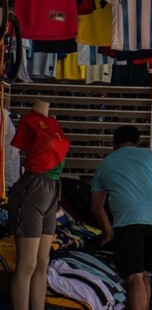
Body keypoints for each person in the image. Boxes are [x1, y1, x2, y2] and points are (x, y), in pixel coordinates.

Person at [92, 125, 152, 310]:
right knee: (144, 274)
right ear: (139, 142)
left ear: (113, 145)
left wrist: (108, 232)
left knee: (134, 276)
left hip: (128, 221)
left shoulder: (105, 164)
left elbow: (97, 207)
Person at [9, 100, 69, 310]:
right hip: (33, 187)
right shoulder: (29, 120)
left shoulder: (54, 123)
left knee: (43, 262)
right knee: (28, 263)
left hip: (53, 188)